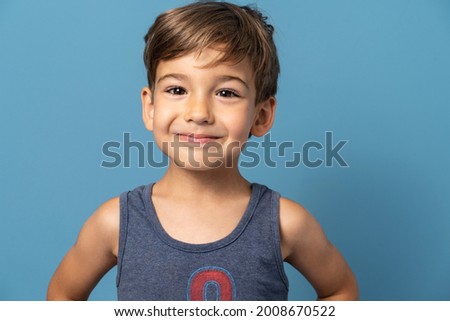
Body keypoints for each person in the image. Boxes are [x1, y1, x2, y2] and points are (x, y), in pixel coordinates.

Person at [47, 1, 358, 301]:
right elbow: (63, 296)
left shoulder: (285, 223)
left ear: (261, 116)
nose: (198, 112)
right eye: (177, 90)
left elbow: (340, 291)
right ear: (150, 107)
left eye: (226, 92)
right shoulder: (114, 222)